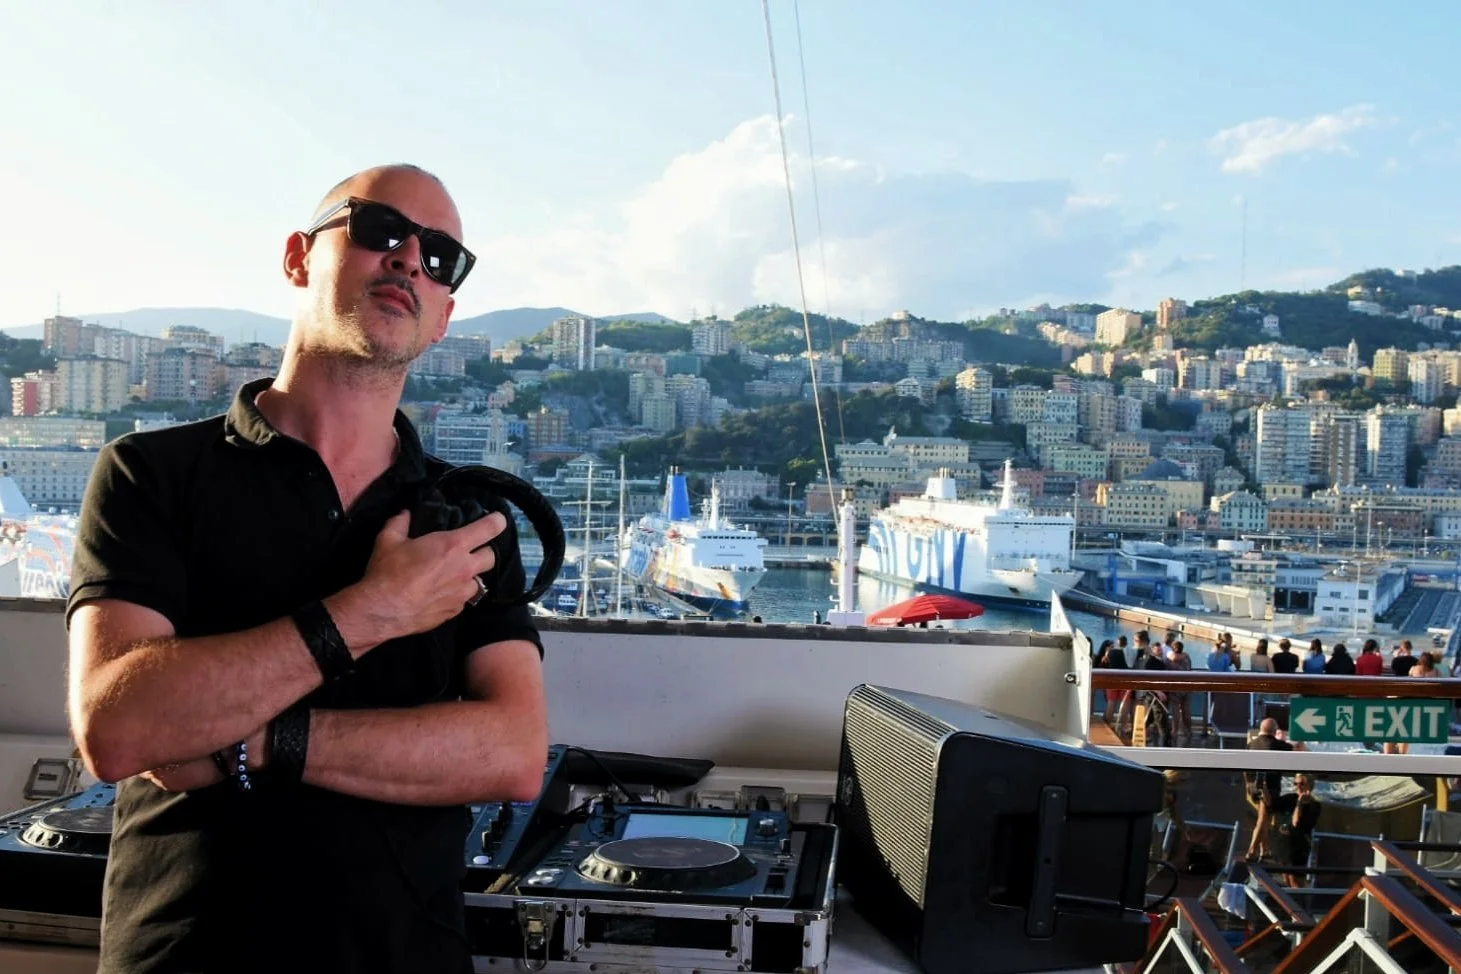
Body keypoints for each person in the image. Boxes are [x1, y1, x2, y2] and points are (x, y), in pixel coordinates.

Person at [65, 165, 549, 974]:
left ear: (443, 318)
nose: (408, 261)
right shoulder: (150, 473)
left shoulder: (463, 519)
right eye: (380, 230)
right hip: (185, 954)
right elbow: (118, 729)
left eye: (440, 256)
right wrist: (372, 612)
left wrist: (249, 742)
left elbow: (511, 752)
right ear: (298, 257)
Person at [1245, 718, 1304, 859]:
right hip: (1269, 788)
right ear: (1274, 731)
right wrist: (1290, 741)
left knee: (1263, 817)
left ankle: (1264, 849)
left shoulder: (1252, 744)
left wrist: (1248, 783)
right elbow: (1297, 751)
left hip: (1253, 787)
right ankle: (1252, 851)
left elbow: (1245, 768)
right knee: (1263, 820)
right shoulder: (1277, 745)